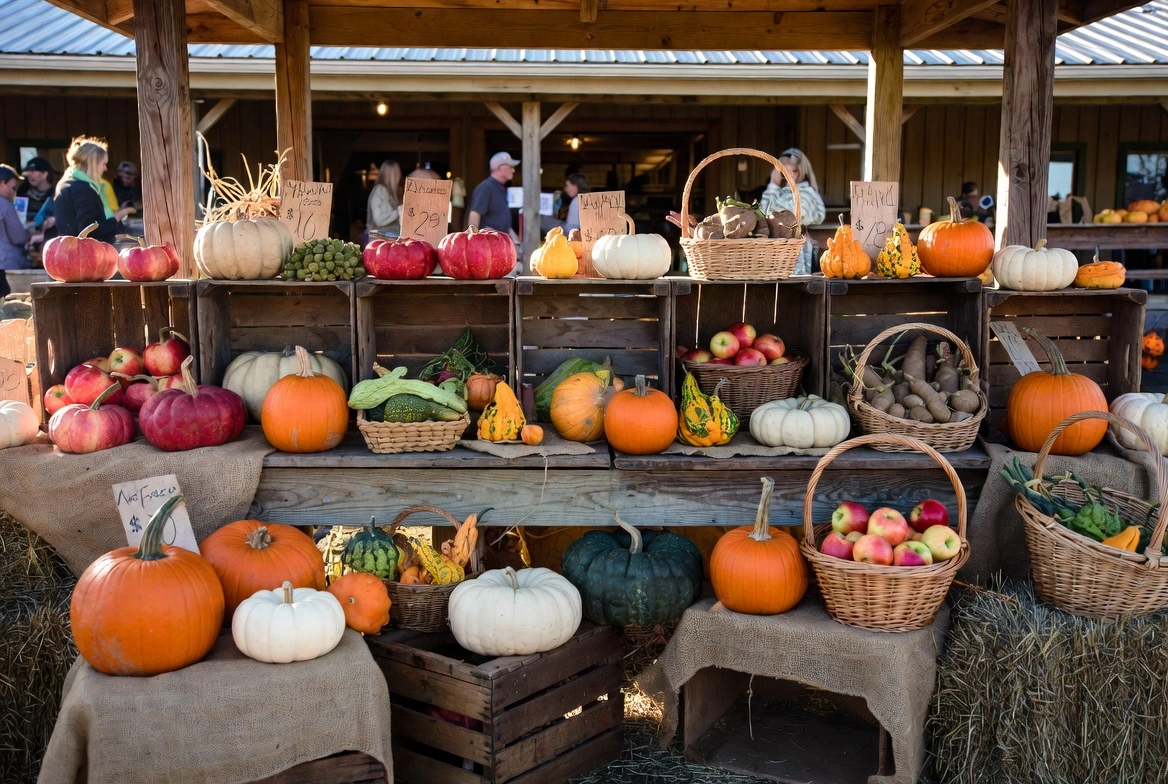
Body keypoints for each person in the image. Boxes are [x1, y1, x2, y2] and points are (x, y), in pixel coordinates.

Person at [758, 148, 826, 275]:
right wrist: (772, 185)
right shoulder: (780, 193)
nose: (788, 175)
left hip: (795, 249)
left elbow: (788, 216)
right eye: (782, 171)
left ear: (799, 172)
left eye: (792, 171)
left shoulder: (806, 194)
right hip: (778, 248)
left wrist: (773, 187)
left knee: (793, 279)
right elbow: (762, 213)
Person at [53, 136, 133, 244]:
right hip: (86, 254)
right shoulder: (83, 188)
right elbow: (87, 231)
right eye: (104, 164)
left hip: (68, 249)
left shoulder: (64, 183)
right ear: (93, 163)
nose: (105, 169)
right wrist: (116, 217)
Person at [467, 152, 519, 240]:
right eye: (511, 167)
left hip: (499, 245)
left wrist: (516, 242)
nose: (513, 170)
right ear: (500, 168)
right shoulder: (486, 187)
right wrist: (473, 240)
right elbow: (474, 214)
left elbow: (504, 224)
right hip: (488, 245)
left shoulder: (500, 189)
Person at [0, 165, 31, 299]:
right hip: (5, 267)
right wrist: (30, 234)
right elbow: (18, 237)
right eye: (13, 188)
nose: (14, 193)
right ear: (2, 183)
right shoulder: (5, 205)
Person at [365, 160, 403, 241]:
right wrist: (399, 211)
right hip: (381, 240)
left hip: (386, 239)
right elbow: (379, 220)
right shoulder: (380, 191)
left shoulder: (389, 192)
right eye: (397, 173)